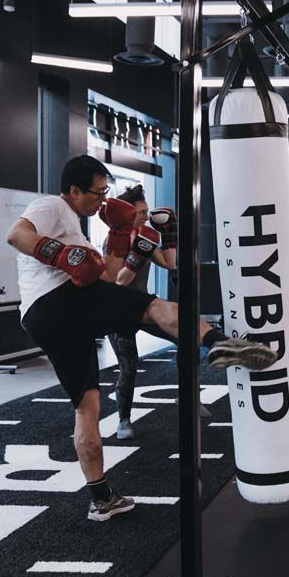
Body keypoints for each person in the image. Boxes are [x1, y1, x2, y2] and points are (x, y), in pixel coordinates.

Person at [7, 155, 278, 522]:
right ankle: (218, 343)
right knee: (156, 308)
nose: (102, 201)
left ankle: (101, 497)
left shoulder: (90, 227)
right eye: (97, 193)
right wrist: (62, 255)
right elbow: (16, 235)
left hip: (46, 320)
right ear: (74, 190)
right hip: (60, 299)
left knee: (86, 406)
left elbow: (115, 278)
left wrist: (119, 240)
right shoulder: (52, 205)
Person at [101, 184, 183, 441]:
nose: (146, 217)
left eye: (147, 212)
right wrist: (138, 253)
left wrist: (170, 232)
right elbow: (120, 281)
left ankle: (188, 398)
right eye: (140, 213)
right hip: (117, 309)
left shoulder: (145, 237)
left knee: (185, 339)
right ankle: (123, 420)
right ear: (126, 216)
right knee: (129, 365)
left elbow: (171, 264)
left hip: (144, 307)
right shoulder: (112, 241)